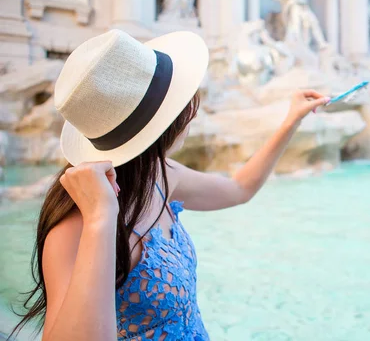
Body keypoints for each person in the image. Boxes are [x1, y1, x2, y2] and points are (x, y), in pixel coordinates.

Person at [10, 29, 330, 340]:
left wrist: (291, 121)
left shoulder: (159, 174)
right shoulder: (74, 225)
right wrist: (100, 220)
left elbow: (239, 189)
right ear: (166, 127)